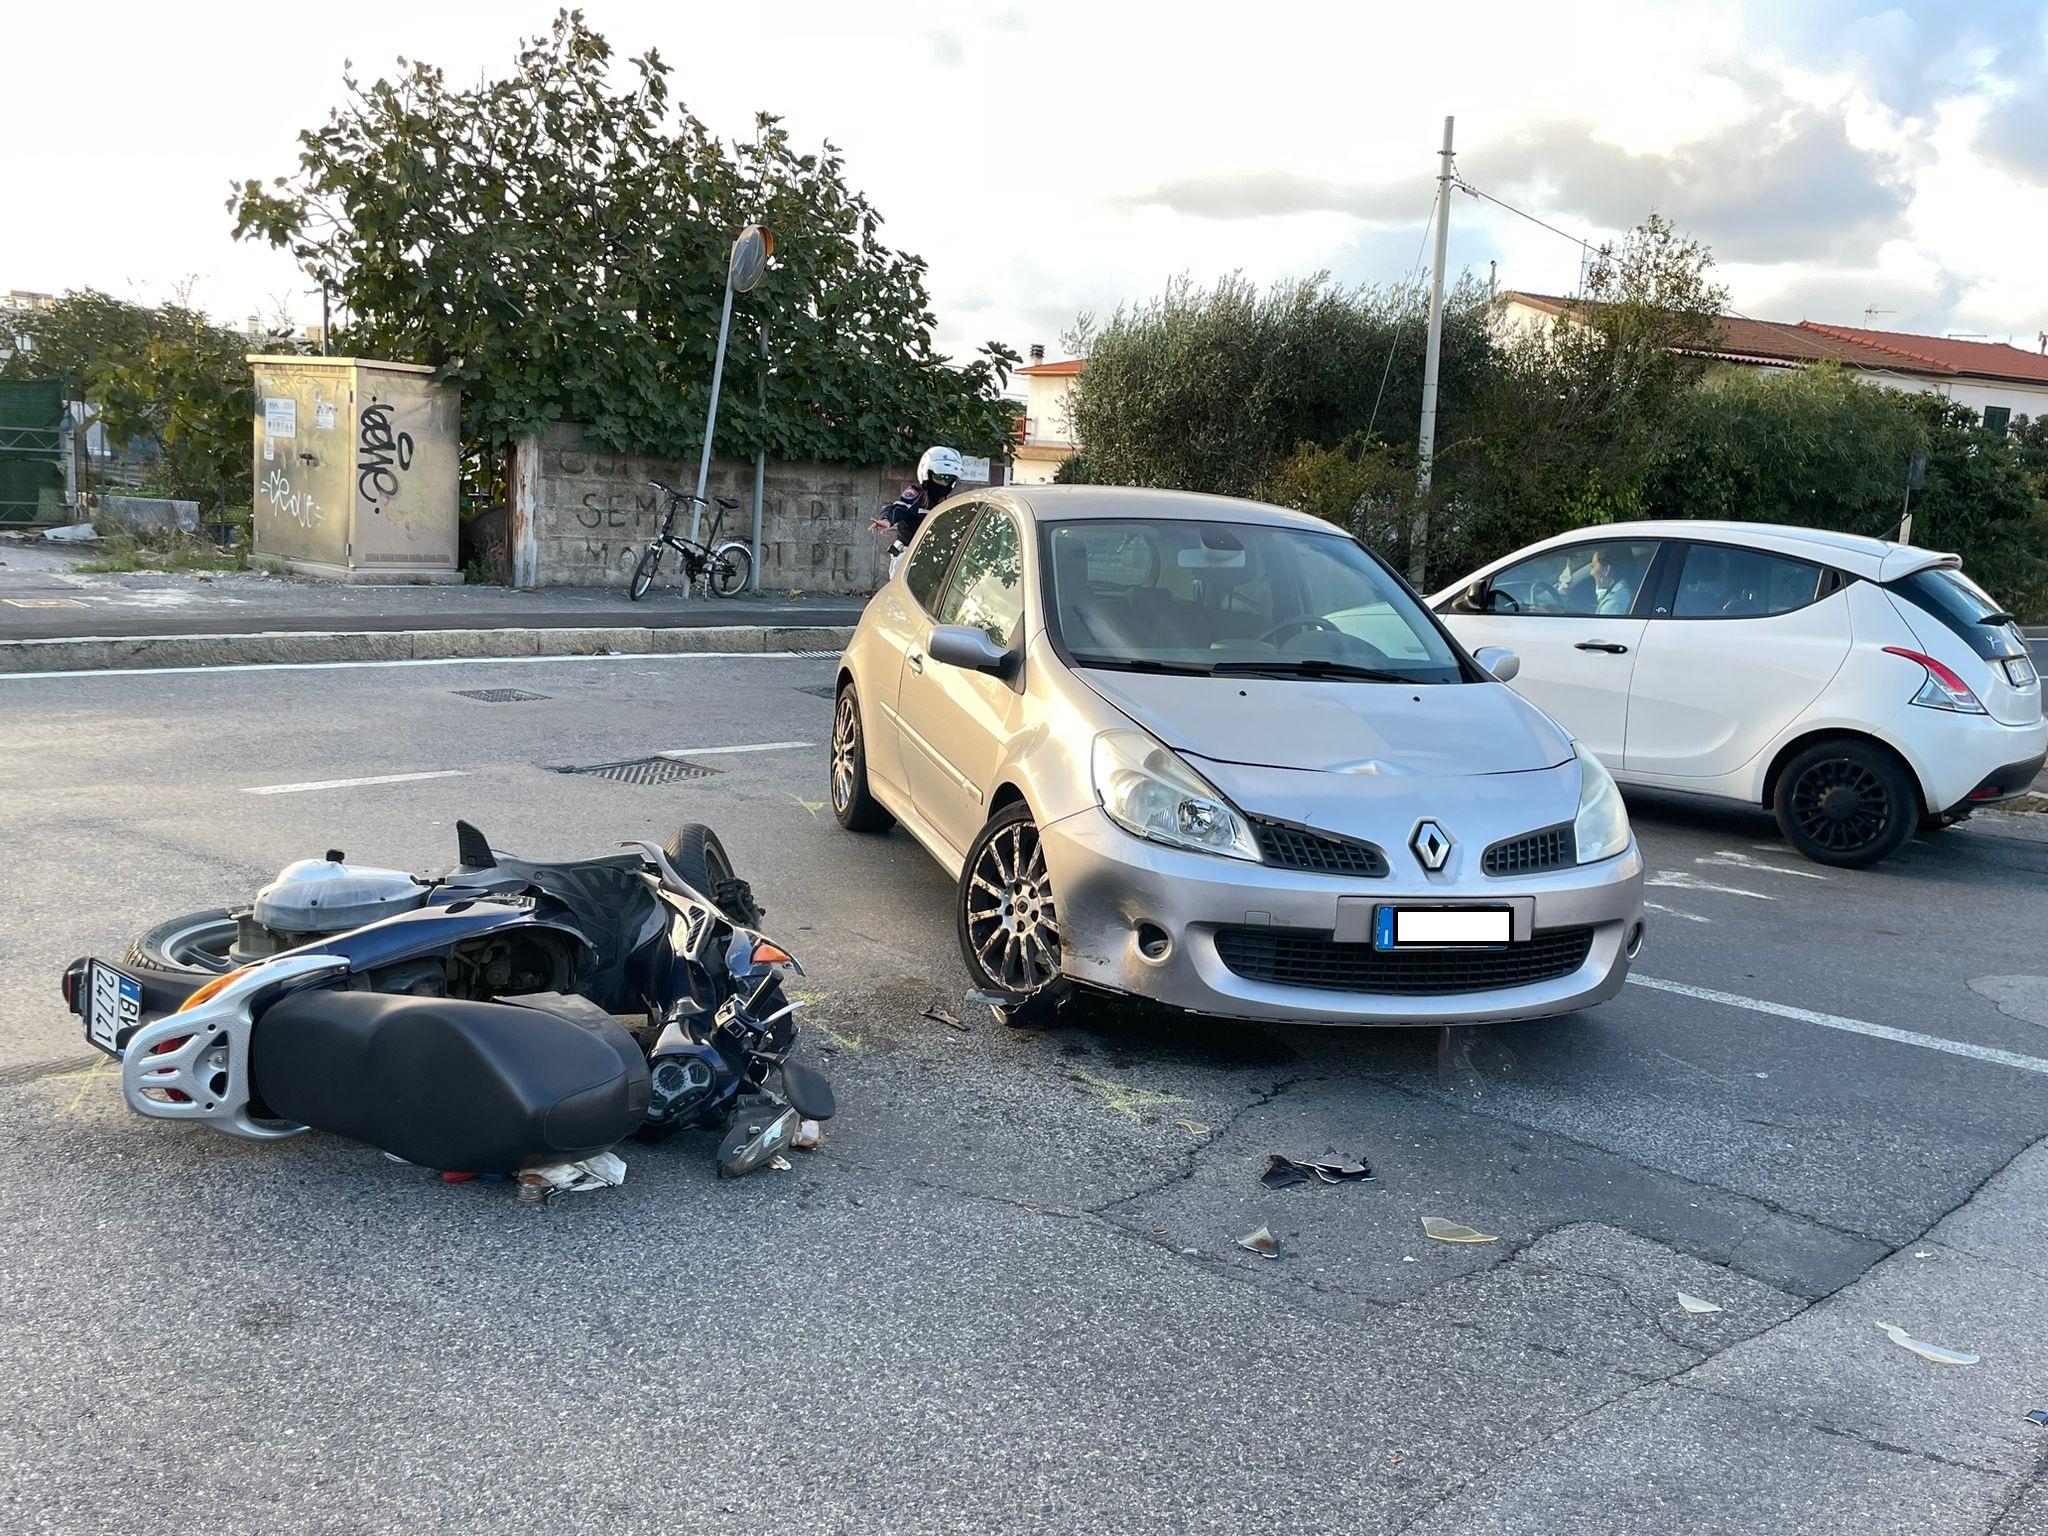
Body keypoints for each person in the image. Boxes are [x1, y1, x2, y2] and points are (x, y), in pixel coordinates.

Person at [871, 446, 965, 567]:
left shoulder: (946, 503)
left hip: (928, 560)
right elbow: (897, 508)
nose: (944, 483)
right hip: (906, 557)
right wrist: (887, 520)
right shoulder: (916, 494)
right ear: (927, 473)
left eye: (949, 478)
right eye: (939, 477)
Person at [1589, 547, 1636, 615]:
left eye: (1593, 567)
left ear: (1606, 570)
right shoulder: (1623, 593)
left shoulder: (1612, 604)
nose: (1591, 573)